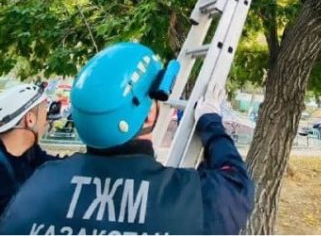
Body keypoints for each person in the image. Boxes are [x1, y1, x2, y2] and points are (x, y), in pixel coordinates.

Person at [0, 43, 255, 234]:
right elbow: (234, 180)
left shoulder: (30, 189)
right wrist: (210, 120)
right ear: (148, 117)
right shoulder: (191, 202)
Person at [0, 83, 61, 216]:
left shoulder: (31, 153)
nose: (47, 122)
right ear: (30, 119)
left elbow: (60, 167)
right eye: (45, 115)